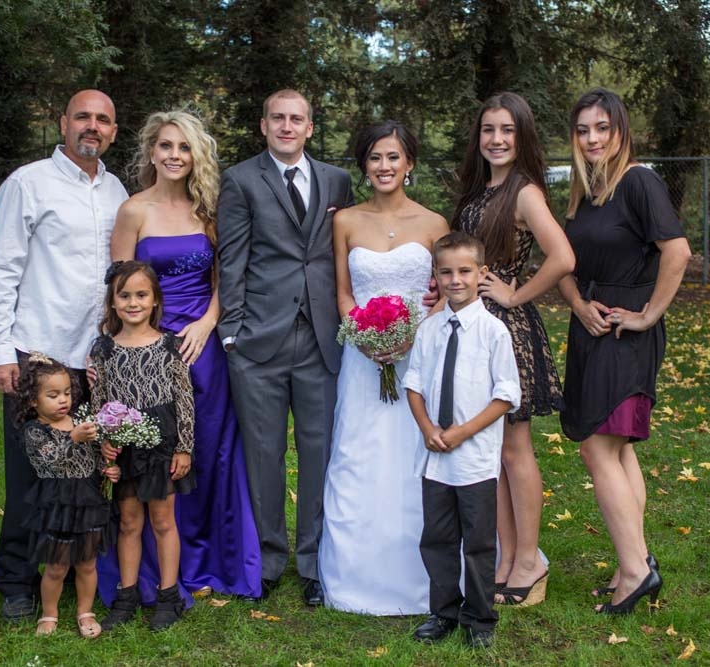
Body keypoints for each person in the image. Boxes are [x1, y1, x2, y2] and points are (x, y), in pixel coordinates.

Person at [100, 110, 262, 604]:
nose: (175, 155)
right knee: (152, 453)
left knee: (209, 448)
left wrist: (208, 322)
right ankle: (151, 567)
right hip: (146, 347)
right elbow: (120, 287)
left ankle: (213, 558)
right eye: (166, 146)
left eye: (184, 147)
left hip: (200, 345)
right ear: (151, 152)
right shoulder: (133, 211)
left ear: (197, 156)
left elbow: (224, 279)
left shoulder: (208, 210)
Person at [0, 89, 127, 622]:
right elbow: (2, 268)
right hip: (36, 352)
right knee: (30, 473)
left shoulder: (116, 191)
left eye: (102, 119)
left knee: (82, 474)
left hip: (92, 358)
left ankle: (72, 570)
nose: (92, 126)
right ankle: (16, 582)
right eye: (83, 116)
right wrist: (0, 349)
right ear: (63, 122)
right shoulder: (28, 184)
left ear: (113, 131)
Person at [217, 89, 354, 605]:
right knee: (264, 454)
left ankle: (315, 562)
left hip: (322, 337)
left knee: (320, 453)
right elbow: (232, 259)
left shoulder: (337, 180)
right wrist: (232, 331)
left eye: (297, 119)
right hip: (258, 340)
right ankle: (269, 559)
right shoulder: (240, 180)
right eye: (278, 118)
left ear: (310, 127)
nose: (287, 126)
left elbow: (346, 250)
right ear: (264, 125)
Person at [557, 88, 690, 614]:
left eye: (602, 128)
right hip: (590, 328)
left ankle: (635, 573)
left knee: (597, 447)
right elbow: (567, 265)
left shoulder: (639, 181)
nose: (592, 138)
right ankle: (633, 562)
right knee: (617, 449)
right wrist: (577, 303)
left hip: (623, 334)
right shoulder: (587, 191)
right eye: (583, 130)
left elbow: (677, 251)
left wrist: (649, 314)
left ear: (620, 130)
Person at [318, 120, 450, 615]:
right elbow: (343, 293)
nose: (384, 166)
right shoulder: (346, 221)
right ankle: (357, 576)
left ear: (409, 162)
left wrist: (412, 334)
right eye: (375, 157)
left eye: (393, 156)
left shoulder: (434, 223)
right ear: (364, 165)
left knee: (417, 454)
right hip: (362, 355)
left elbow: (445, 292)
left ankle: (424, 573)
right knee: (360, 454)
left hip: (419, 355)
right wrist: (364, 335)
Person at [453, 91, 575, 606]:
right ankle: (506, 558)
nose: (497, 139)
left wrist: (513, 294)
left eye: (507, 130)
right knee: (493, 449)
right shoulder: (480, 189)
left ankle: (530, 561)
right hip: (476, 328)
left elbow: (563, 257)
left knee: (514, 447)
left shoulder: (524, 193)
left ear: (521, 137)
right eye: (489, 129)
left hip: (507, 331)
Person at [403, 232, 521, 649]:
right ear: (436, 275)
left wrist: (461, 432)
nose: (455, 280)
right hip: (435, 457)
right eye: (446, 272)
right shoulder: (429, 330)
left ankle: (480, 619)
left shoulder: (493, 332)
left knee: (478, 542)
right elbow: (414, 384)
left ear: (481, 273)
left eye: (465, 271)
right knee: (437, 539)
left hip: (475, 459)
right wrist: (428, 428)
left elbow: (506, 395)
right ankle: (444, 612)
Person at [92, 261, 196, 631]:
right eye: (124, 296)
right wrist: (104, 443)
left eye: (141, 295)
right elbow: (99, 400)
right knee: (129, 522)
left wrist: (184, 446)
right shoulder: (104, 349)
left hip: (162, 442)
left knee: (163, 520)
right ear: (113, 302)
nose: (133, 302)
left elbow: (185, 399)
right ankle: (127, 595)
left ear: (154, 301)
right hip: (124, 446)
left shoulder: (170, 345)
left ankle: (168, 597)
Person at [14, 353, 119, 638]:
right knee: (56, 565)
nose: (63, 400)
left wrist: (108, 468)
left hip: (88, 501)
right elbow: (50, 460)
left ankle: (86, 611)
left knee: (87, 563)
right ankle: (50, 613)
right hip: (57, 504)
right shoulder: (35, 431)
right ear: (33, 400)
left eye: (67, 393)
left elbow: (92, 459)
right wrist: (73, 438)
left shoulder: (79, 422)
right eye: (53, 395)